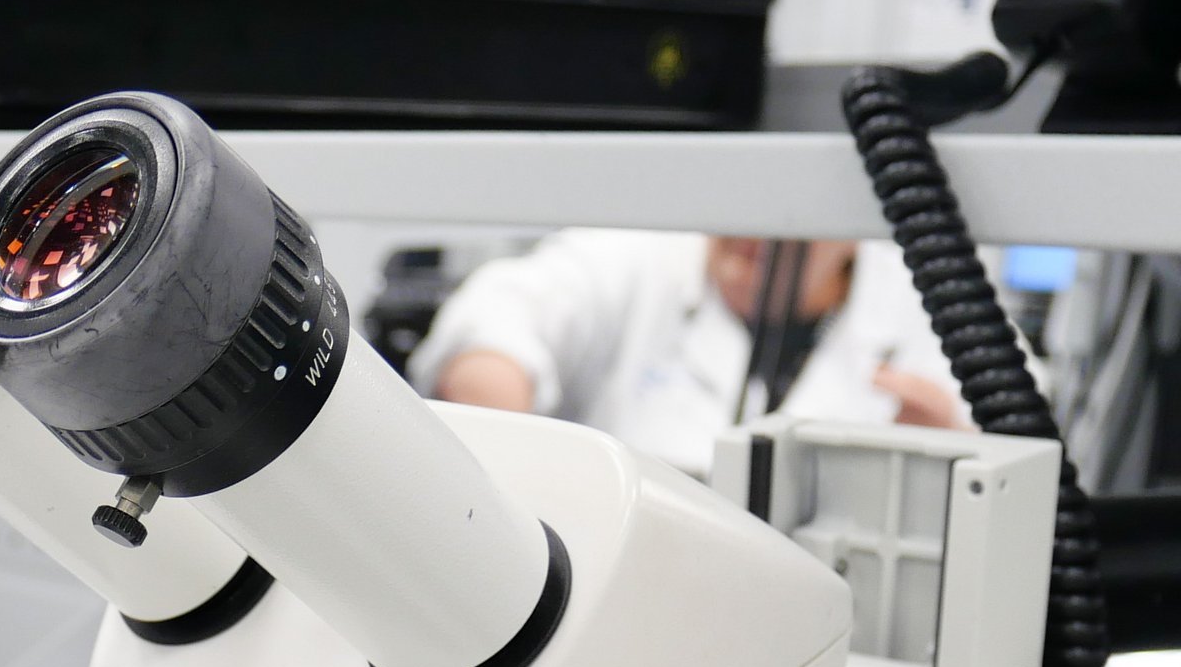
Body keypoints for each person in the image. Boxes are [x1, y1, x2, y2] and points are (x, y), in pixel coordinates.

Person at [409, 231, 967, 479]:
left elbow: (990, 446)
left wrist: (945, 450)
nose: (753, 231)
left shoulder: (926, 307)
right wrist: (497, 407)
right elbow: (504, 310)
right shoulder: (647, 259)